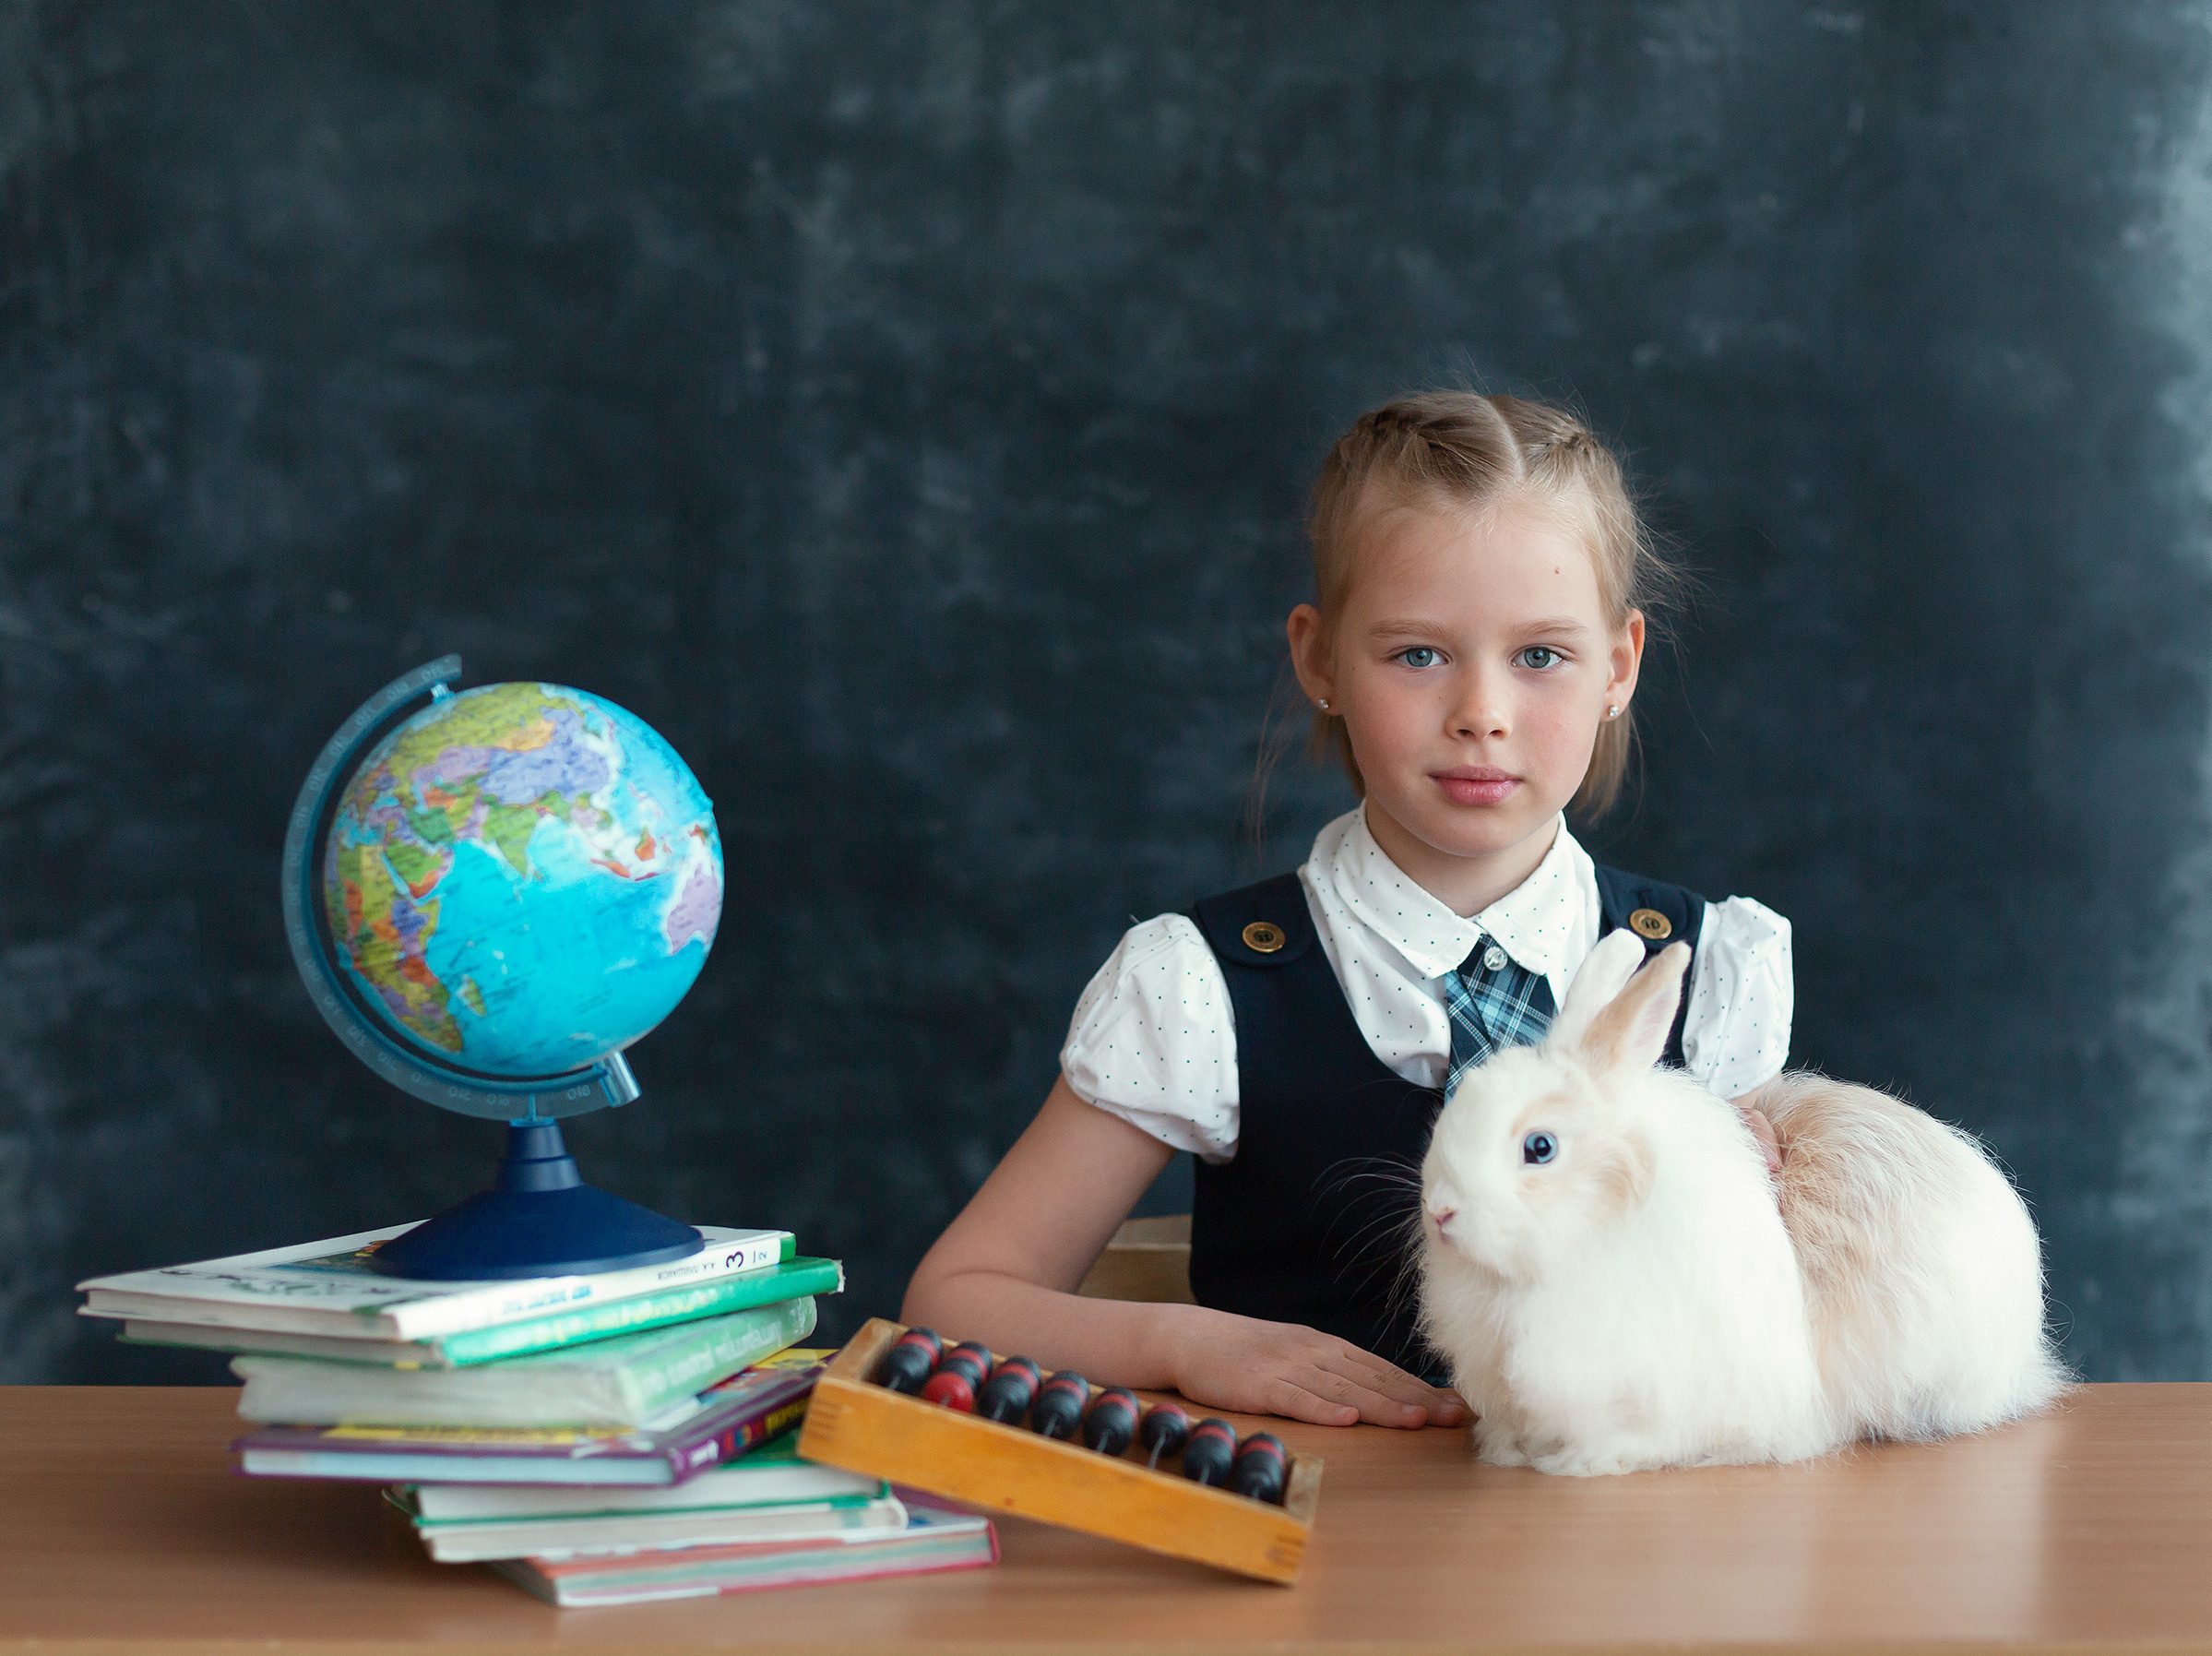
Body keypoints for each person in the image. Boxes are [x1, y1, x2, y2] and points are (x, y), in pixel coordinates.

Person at [902, 391, 1791, 1429]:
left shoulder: (1702, 972)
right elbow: (952, 1301)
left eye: (1540, 655)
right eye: (1417, 653)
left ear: (1619, 666)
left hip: (1620, 1545)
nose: (1482, 714)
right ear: (1319, 659)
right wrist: (1182, 1344)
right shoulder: (1204, 986)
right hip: (1310, 1554)